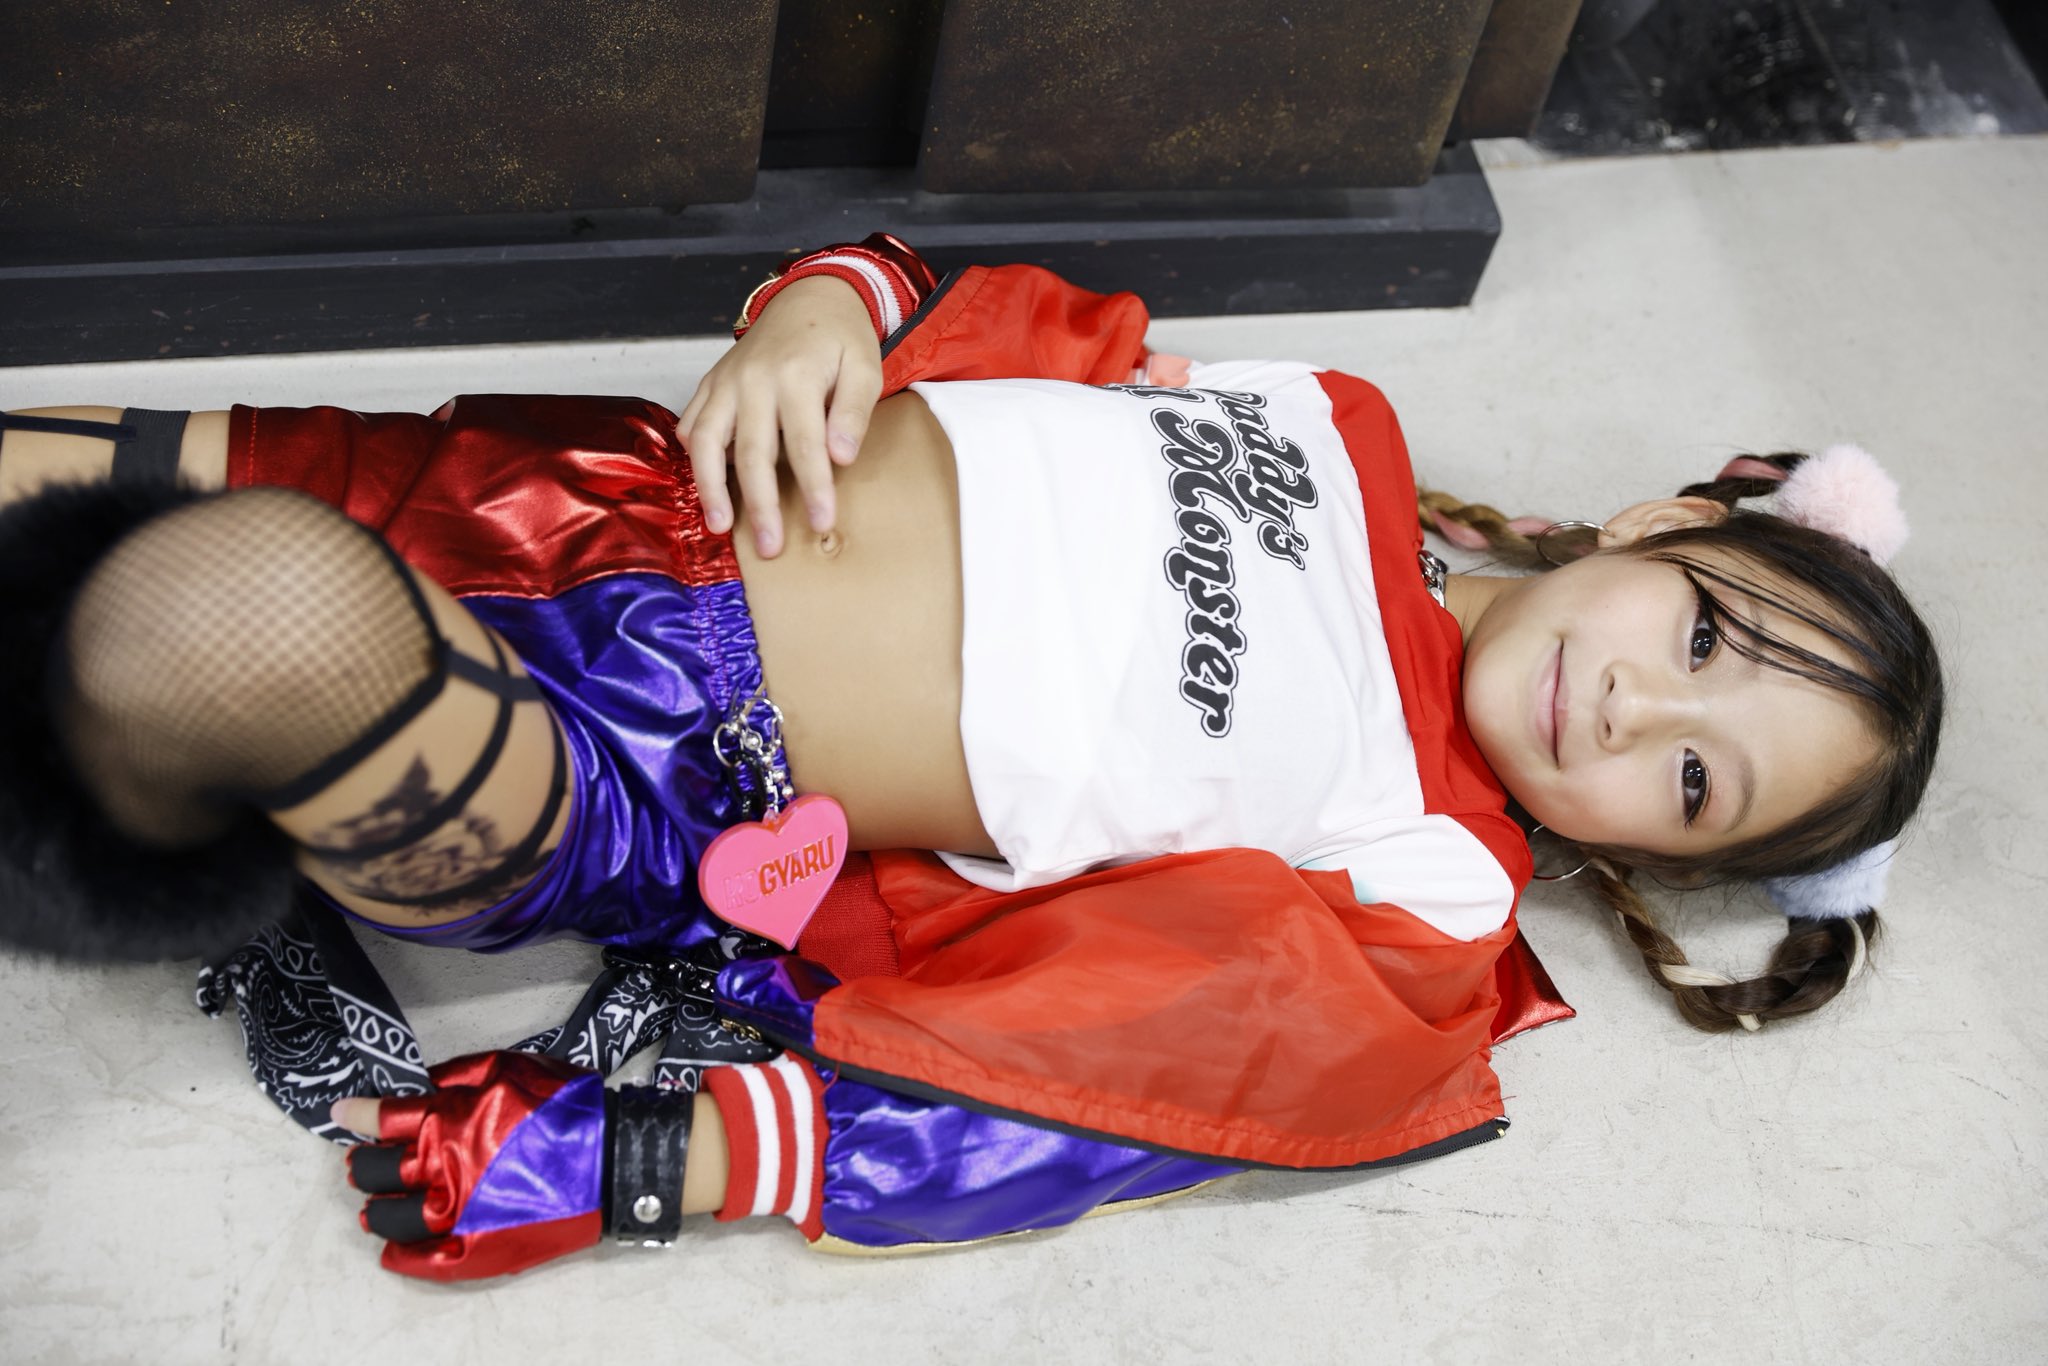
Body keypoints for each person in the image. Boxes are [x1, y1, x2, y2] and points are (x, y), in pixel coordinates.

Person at [0, 235, 1942, 1279]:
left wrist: (655, 1153)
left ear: (1652, 856)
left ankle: (155, 742)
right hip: (592, 483)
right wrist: (818, 310)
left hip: (641, 762)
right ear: (1660, 522)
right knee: (63, 486)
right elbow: (998, 316)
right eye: (1701, 638)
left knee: (234, 606)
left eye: (1696, 781)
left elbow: (1120, 1077)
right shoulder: (1332, 416)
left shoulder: (1433, 870)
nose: (1637, 711)